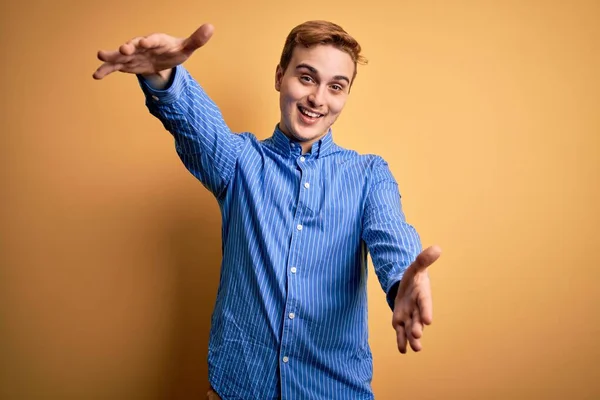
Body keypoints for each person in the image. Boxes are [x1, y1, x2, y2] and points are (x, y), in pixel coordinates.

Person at [94, 20, 442, 400]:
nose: (318, 99)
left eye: (335, 87)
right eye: (306, 78)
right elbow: (194, 124)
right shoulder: (239, 161)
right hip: (239, 390)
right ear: (280, 76)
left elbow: (390, 232)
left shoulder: (369, 174)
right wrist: (163, 75)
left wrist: (402, 279)